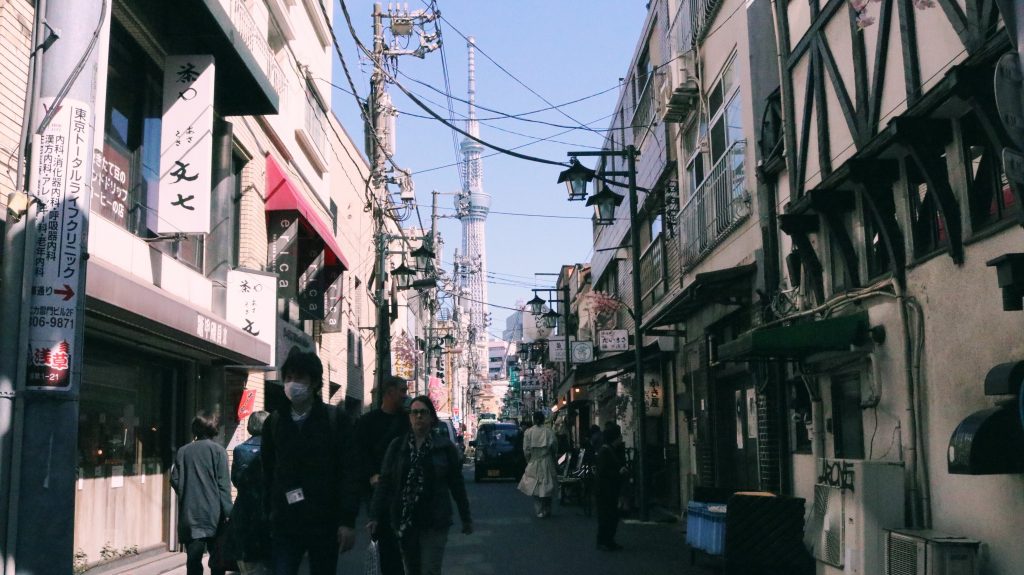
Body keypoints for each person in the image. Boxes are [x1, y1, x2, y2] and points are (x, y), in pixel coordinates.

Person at [262, 351, 360, 575]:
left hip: (324, 521)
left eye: (299, 378)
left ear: (315, 382)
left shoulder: (336, 420)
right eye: (288, 378)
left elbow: (350, 472)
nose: (292, 384)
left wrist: (347, 520)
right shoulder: (275, 422)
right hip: (285, 521)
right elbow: (267, 471)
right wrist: (268, 513)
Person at [368, 395, 472, 575]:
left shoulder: (445, 448)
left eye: (423, 412)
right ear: (409, 417)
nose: (418, 417)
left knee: (430, 569)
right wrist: (374, 515)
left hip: (435, 520)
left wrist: (466, 517)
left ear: (431, 417)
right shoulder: (397, 447)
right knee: (412, 569)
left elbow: (456, 485)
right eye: (414, 413)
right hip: (406, 519)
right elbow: (385, 482)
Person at [354, 375, 411, 575]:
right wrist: (371, 475)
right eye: (402, 391)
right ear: (389, 392)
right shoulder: (367, 422)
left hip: (405, 490)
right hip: (378, 491)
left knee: (408, 546)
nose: (406, 396)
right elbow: (359, 454)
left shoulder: (408, 421)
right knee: (385, 545)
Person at [170, 412, 233, 575]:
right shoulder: (218, 451)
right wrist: (228, 512)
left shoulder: (183, 451)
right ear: (213, 429)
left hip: (190, 514)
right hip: (214, 514)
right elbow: (224, 485)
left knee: (193, 560)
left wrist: (187, 492)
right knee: (217, 560)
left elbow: (174, 480)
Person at [226, 411, 271, 574]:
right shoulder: (275, 449)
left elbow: (236, 480)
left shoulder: (239, 450)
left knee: (247, 559)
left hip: (244, 509)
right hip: (269, 509)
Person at [517, 411, 558, 518]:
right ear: (544, 420)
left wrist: (529, 461)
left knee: (535, 487)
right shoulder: (549, 432)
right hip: (547, 461)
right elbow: (554, 447)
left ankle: (539, 510)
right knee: (548, 485)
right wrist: (553, 459)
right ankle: (547, 509)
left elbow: (526, 450)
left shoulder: (528, 433)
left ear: (534, 420)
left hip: (534, 461)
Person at [596, 423, 627, 551]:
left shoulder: (609, 449)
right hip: (606, 490)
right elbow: (603, 471)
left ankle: (607, 540)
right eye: (619, 436)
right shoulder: (606, 451)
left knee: (610, 516)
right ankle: (605, 541)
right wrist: (618, 472)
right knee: (608, 516)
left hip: (608, 489)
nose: (621, 438)